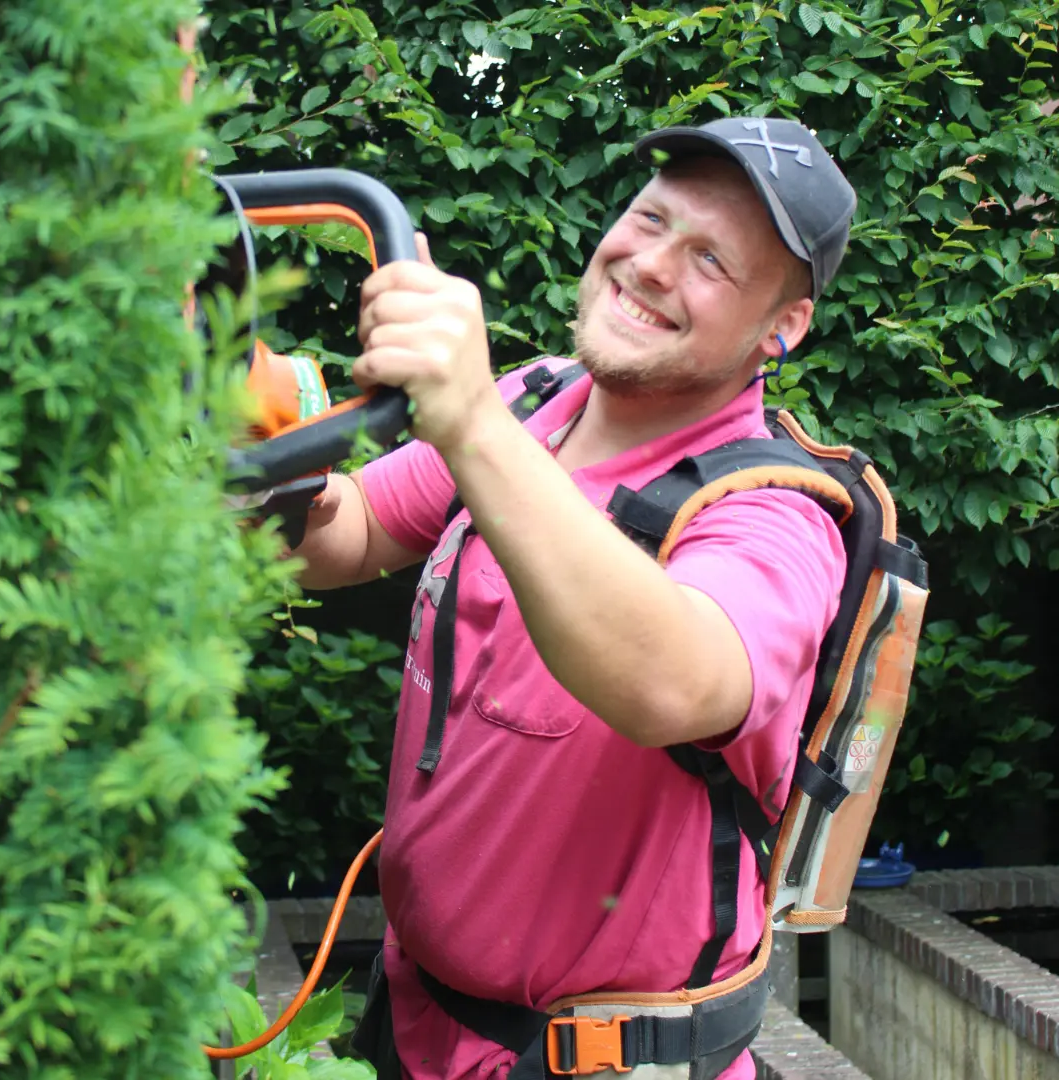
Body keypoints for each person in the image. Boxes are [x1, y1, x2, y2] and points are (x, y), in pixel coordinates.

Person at [294, 116, 857, 1080]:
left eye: (711, 261)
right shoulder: (534, 405)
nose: (649, 266)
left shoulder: (774, 516)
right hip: (415, 1027)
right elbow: (346, 535)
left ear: (783, 328)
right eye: (649, 219)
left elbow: (673, 682)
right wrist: (253, 450)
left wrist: (469, 422)